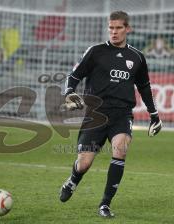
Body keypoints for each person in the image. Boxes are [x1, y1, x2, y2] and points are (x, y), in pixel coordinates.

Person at [59, 11, 162, 218]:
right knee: (85, 163)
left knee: (120, 151)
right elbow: (73, 76)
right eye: (111, 28)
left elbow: (144, 87)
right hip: (95, 114)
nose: (114, 32)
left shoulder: (137, 57)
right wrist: (69, 93)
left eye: (118, 28)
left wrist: (154, 115)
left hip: (122, 115)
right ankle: (73, 179)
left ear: (127, 29)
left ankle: (105, 204)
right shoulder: (95, 52)